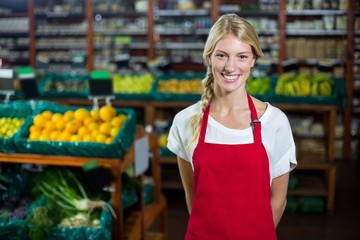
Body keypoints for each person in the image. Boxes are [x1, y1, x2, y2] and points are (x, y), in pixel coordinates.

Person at [167, 13, 297, 239]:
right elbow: (193, 198)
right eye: (222, 56)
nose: (230, 67)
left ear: (253, 60)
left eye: (242, 56)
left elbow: (278, 199)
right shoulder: (185, 121)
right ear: (209, 58)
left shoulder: (274, 122)